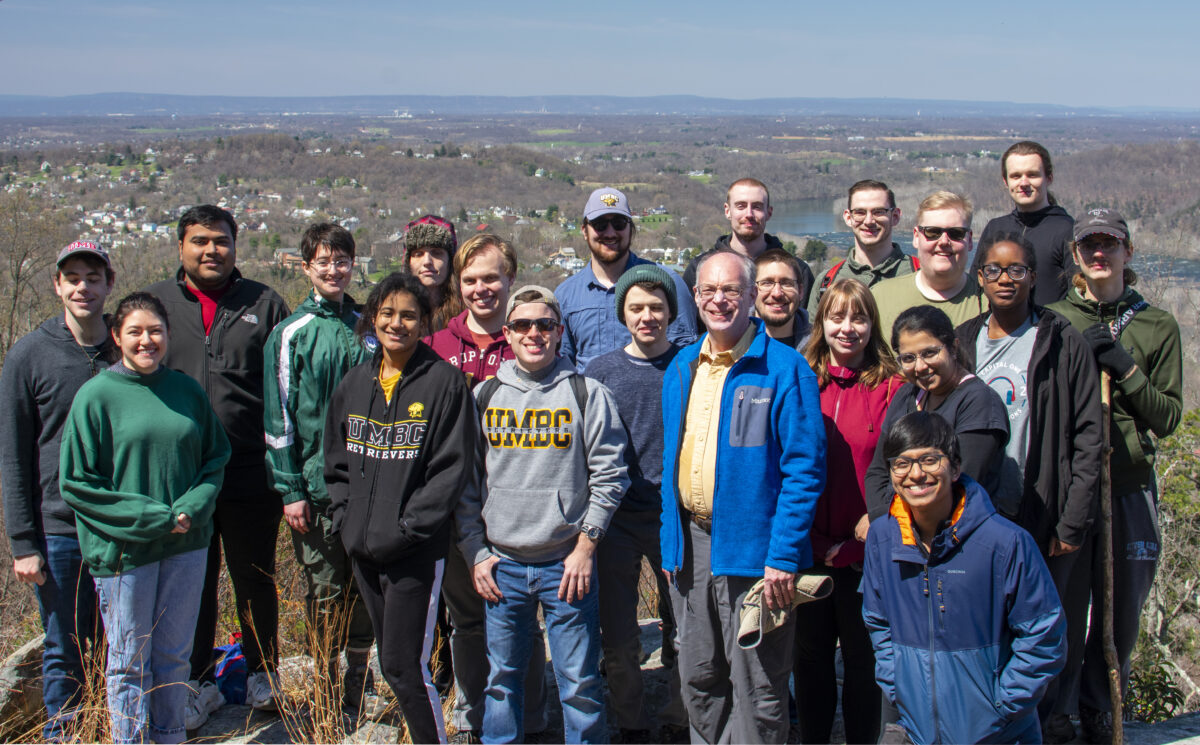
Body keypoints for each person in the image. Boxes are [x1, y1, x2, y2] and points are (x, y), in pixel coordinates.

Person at [661, 250, 826, 744]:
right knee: (698, 677)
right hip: (693, 548)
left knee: (757, 685)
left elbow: (804, 469)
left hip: (757, 554)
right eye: (708, 290)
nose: (719, 300)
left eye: (731, 289)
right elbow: (674, 462)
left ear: (752, 296)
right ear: (694, 298)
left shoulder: (784, 368)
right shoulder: (683, 367)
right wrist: (672, 543)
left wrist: (783, 557)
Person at [457, 286, 630, 743]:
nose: (534, 333)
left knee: (579, 685)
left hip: (565, 565)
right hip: (503, 567)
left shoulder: (586, 393)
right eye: (522, 325)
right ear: (508, 334)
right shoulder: (484, 395)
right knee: (501, 683)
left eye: (545, 325)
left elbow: (611, 477)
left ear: (559, 332)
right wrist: (475, 552)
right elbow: (467, 486)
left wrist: (586, 546)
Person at [60, 292, 231, 744]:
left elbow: (216, 458)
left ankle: (170, 736)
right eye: (134, 331)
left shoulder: (185, 391)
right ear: (117, 336)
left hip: (186, 546)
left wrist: (192, 507)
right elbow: (77, 483)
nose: (146, 340)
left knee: (174, 659)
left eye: (155, 330)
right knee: (129, 663)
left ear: (168, 336)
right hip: (124, 552)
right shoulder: (96, 396)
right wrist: (154, 516)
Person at [143, 205, 289, 726]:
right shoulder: (156, 304)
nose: (211, 250)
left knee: (254, 576)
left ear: (235, 245)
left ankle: (261, 672)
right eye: (200, 241)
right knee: (191, 580)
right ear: (180, 246)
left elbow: (284, 386)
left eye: (221, 241)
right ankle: (196, 680)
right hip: (182, 476)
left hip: (251, 469)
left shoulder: (265, 303)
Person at [955, 233, 1103, 743]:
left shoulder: (1062, 340)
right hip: (973, 517)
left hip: (1040, 511)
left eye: (1016, 270)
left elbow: (1088, 436)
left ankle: (1035, 729)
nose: (1004, 279)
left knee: (1036, 633)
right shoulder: (963, 338)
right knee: (980, 631)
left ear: (1034, 277)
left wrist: (1073, 519)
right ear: (979, 277)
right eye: (994, 270)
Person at [323, 272, 477, 745]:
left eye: (408, 314)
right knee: (393, 663)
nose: (397, 323)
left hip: (413, 553)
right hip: (363, 549)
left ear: (424, 321)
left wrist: (408, 529)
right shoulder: (354, 384)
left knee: (403, 666)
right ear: (372, 318)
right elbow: (336, 461)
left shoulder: (444, 383)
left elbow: (449, 470)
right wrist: (346, 521)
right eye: (387, 313)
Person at [1048, 208, 1182, 743]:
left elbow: (1167, 417)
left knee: (1120, 611)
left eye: (1110, 244)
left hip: (1128, 487)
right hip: (1071, 490)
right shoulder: (1055, 319)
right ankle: (1055, 712)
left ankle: (1103, 710)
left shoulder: (1157, 325)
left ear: (1128, 252)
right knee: (1058, 608)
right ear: (1077, 254)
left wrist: (1124, 367)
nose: (1099, 254)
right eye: (1089, 246)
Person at [861, 411, 1066, 745]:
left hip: (1001, 735)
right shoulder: (883, 540)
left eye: (929, 460)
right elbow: (877, 620)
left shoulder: (1005, 543)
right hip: (917, 731)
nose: (916, 474)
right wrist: (897, 684)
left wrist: (1002, 707)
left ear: (955, 467)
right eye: (902, 463)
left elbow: (1044, 636)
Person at [425, 235, 550, 740]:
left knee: (525, 622)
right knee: (468, 620)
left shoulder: (531, 340)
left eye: (492, 278)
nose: (482, 289)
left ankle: (534, 717)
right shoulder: (436, 347)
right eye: (471, 279)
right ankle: (477, 713)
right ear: (459, 284)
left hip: (520, 511)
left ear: (511, 279)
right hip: (456, 512)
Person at [262, 223, 382, 716]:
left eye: (343, 260)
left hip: (373, 485)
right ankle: (325, 686)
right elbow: (278, 418)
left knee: (363, 584)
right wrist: (290, 488)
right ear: (306, 266)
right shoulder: (291, 334)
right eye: (324, 261)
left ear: (354, 264)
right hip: (314, 489)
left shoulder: (370, 325)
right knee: (325, 588)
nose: (334, 270)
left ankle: (359, 677)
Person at [0, 241, 117, 741]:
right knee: (64, 643)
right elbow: (12, 455)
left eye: (93, 277)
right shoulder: (29, 354)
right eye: (73, 278)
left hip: (120, 527)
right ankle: (64, 735)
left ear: (109, 283)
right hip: (59, 529)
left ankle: (115, 727)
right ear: (57, 285)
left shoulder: (126, 345)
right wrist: (23, 542)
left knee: (122, 641)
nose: (83, 287)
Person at [794, 278, 904, 745]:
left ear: (872, 324)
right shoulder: (800, 379)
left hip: (868, 554)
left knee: (865, 667)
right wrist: (818, 544)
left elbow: (906, 470)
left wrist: (874, 524)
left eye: (858, 317)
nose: (847, 328)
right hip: (807, 551)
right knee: (811, 663)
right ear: (821, 322)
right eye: (837, 316)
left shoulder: (893, 389)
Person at [583, 264, 689, 744]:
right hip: (618, 519)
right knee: (620, 633)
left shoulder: (689, 365)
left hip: (676, 516)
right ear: (623, 314)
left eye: (656, 307)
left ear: (671, 312)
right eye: (637, 308)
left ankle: (679, 714)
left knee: (681, 628)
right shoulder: (601, 371)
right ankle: (630, 722)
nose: (647, 317)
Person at [864, 305, 1009, 520]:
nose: (920, 366)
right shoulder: (907, 394)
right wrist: (881, 520)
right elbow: (878, 470)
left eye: (929, 353)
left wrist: (892, 520)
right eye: (908, 358)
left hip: (956, 533)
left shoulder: (979, 402)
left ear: (953, 347)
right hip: (898, 528)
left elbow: (960, 485)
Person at [557, 187, 698, 371]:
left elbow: (686, 354)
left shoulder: (667, 282)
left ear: (631, 229)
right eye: (600, 224)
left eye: (619, 223)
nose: (610, 233)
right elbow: (562, 363)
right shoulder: (565, 295)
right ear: (584, 230)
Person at [683, 177, 816, 308]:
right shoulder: (699, 269)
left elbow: (806, 325)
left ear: (769, 213)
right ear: (727, 211)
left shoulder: (796, 271)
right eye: (741, 206)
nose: (749, 214)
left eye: (757, 207)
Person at [872, 190, 987, 338]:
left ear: (970, 240)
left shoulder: (989, 303)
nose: (944, 241)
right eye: (933, 232)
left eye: (956, 233)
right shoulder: (879, 299)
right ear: (916, 237)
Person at [978, 142, 1076, 305]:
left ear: (1049, 178)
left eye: (1032, 175)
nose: (1023, 183)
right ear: (1006, 181)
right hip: (998, 329)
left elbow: (1078, 293)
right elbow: (978, 287)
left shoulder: (1067, 230)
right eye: (1016, 176)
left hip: (1050, 328)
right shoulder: (995, 229)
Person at [807, 179, 917, 317]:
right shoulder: (826, 282)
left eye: (878, 212)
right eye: (860, 212)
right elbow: (815, 336)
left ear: (895, 216)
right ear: (848, 217)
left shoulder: (918, 275)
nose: (869, 221)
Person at [404, 215, 461, 334]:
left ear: (450, 262)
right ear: (408, 263)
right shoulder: (397, 312)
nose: (427, 262)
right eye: (418, 254)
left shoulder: (466, 314)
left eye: (437, 253)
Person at [754, 247, 813, 351]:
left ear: (800, 291)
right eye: (767, 283)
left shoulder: (821, 348)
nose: (777, 293)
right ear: (752, 291)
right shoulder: (730, 343)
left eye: (786, 283)